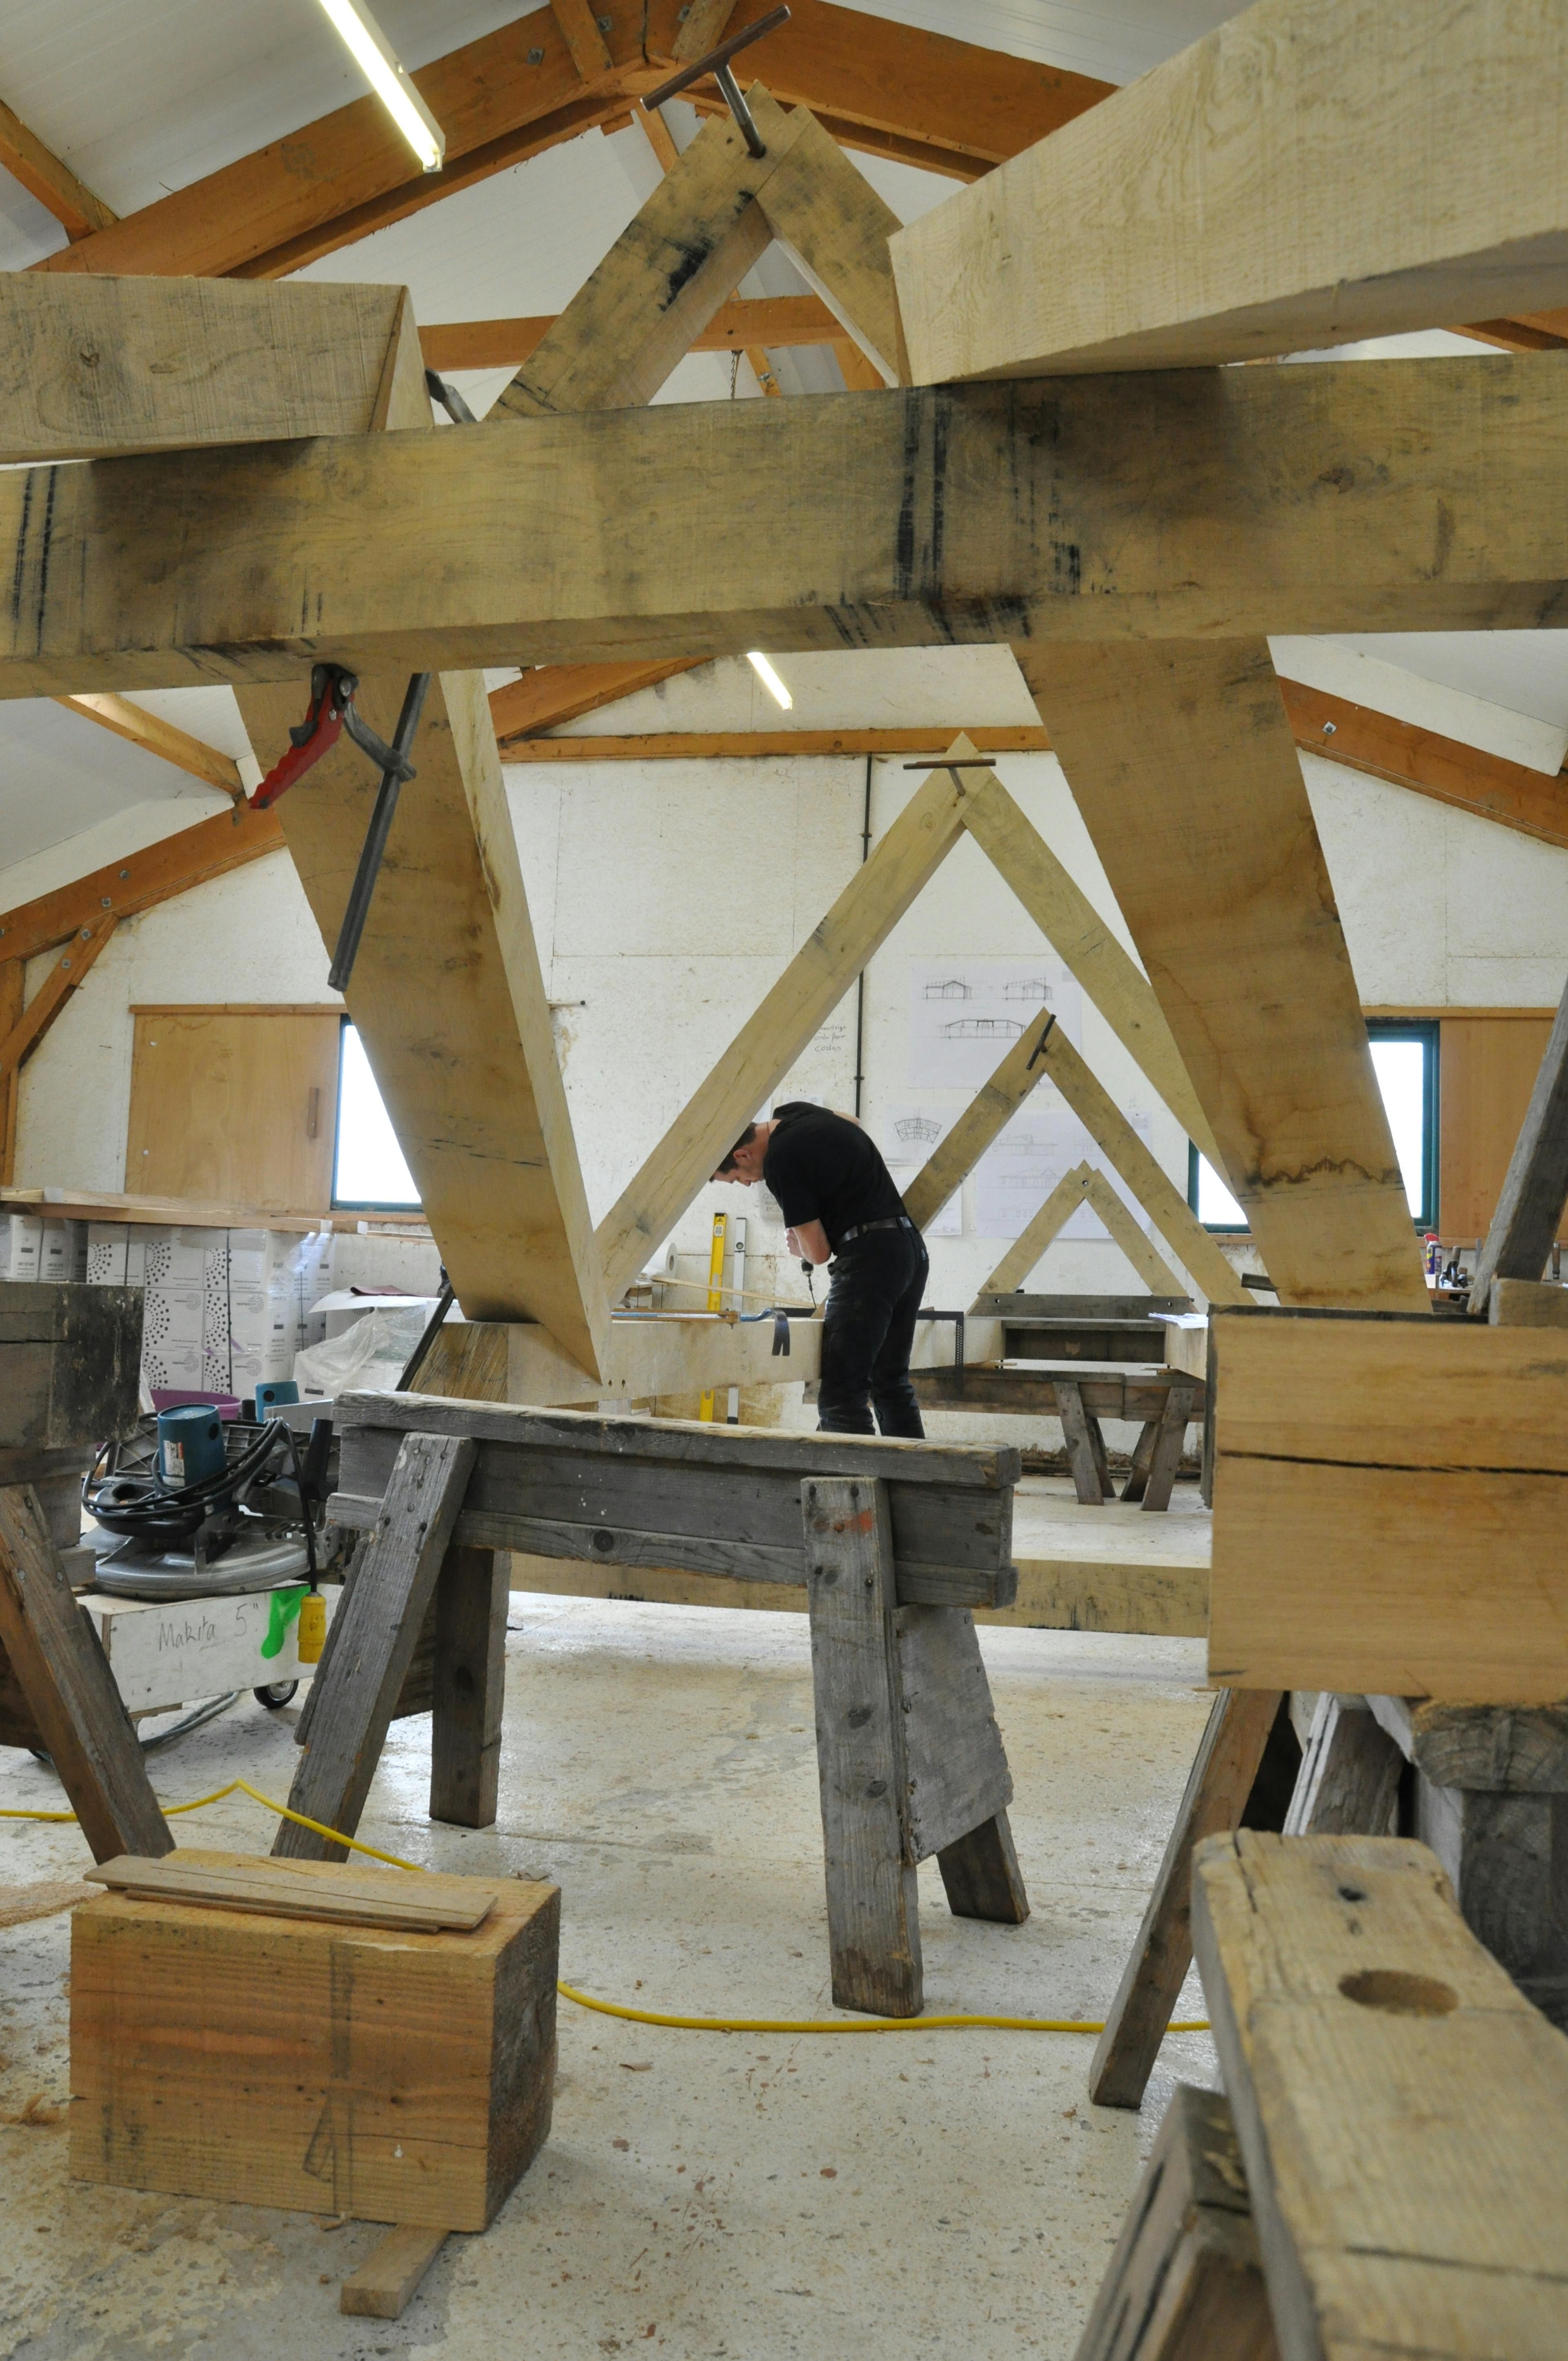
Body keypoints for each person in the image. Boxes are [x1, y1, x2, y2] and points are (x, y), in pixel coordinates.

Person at [711, 1103, 928, 1437]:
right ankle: (913, 1485)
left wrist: (798, 1246)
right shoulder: (793, 1113)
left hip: (868, 1260)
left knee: (842, 1398)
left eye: (736, 1178)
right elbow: (851, 1121)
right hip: (908, 1248)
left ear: (742, 1155)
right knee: (890, 1382)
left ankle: (853, 1488)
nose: (745, 1184)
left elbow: (818, 1252)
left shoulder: (780, 1161)